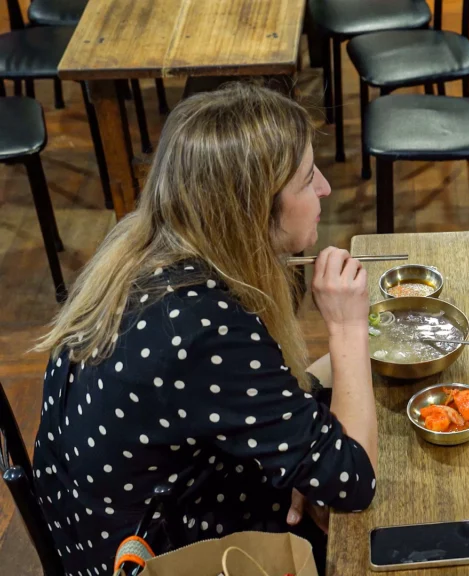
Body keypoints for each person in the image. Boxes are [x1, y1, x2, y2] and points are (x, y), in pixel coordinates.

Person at [30, 83, 377, 576]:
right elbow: (352, 483)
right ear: (253, 205)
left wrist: (304, 450)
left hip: (111, 523)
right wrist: (347, 327)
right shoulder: (200, 328)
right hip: (155, 551)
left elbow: (246, 400)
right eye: (305, 178)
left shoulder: (140, 246)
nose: (324, 187)